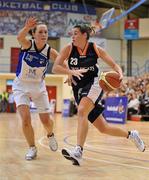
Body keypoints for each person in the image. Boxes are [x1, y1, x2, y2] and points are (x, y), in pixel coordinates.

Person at [52, 24, 145, 166]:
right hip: (78, 89)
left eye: (76, 33)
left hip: (94, 84)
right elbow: (55, 68)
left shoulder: (95, 48)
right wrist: (70, 72)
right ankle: (131, 135)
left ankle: (78, 152)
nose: (73, 36)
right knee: (103, 128)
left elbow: (114, 65)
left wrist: (120, 75)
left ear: (84, 35)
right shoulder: (68, 48)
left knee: (82, 110)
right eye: (72, 34)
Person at [12, 17, 58, 160]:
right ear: (34, 34)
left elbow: (63, 62)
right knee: (25, 119)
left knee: (46, 121)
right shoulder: (27, 44)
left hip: (38, 86)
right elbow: (19, 37)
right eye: (40, 32)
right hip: (21, 85)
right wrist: (26, 27)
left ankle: (50, 134)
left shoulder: (50, 51)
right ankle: (32, 148)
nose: (44, 34)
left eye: (46, 32)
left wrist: (69, 74)